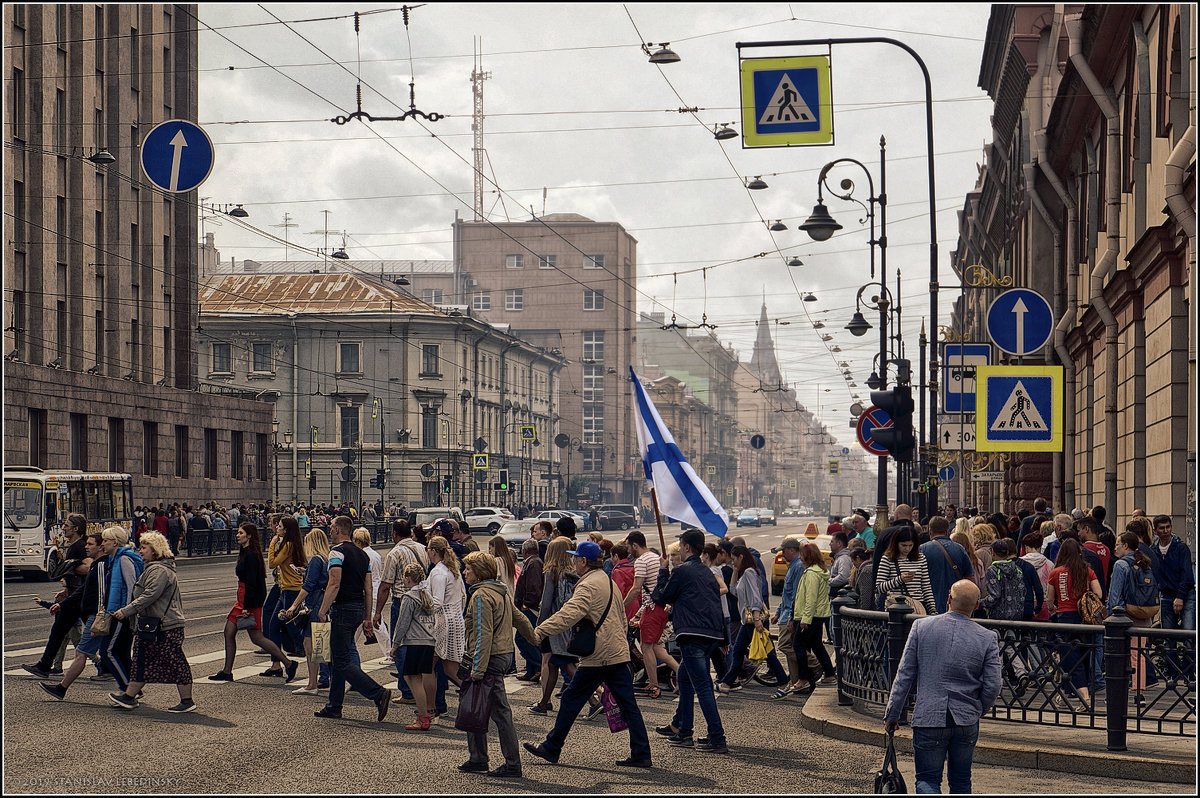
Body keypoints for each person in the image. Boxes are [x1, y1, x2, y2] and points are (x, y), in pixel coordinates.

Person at [523, 541, 653, 769]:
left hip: (599, 656)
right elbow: (621, 617)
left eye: (576, 558)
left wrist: (540, 630)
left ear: (584, 562)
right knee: (628, 705)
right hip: (617, 653)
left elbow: (568, 614)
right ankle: (641, 753)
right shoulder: (608, 581)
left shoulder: (588, 586)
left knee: (571, 699)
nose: (573, 562)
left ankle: (552, 747)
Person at [884, 580, 1002, 794]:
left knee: (927, 780)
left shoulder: (921, 627)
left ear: (948, 599)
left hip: (929, 716)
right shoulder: (987, 637)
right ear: (976, 606)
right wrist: (978, 708)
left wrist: (893, 713)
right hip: (966, 718)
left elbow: (904, 675)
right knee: (961, 781)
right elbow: (993, 684)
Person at [459, 551, 538, 777]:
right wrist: (535, 639)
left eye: (468, 569)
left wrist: (477, 668)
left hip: (489, 658)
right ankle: (477, 757)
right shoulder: (500, 591)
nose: (465, 572)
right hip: (502, 654)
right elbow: (519, 618)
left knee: (499, 713)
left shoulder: (481, 596)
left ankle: (511, 763)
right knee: (476, 704)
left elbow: (484, 634)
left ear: (479, 572)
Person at [652, 529, 728, 753]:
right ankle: (683, 731)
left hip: (692, 634)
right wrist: (722, 636)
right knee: (685, 679)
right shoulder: (706, 572)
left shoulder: (682, 570)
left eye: (681, 545)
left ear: (686, 547)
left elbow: (662, 596)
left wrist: (662, 571)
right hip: (710, 634)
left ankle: (717, 737)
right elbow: (714, 602)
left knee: (702, 685)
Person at [313, 516, 392, 720]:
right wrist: (367, 616)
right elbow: (368, 588)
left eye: (331, 528)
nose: (329, 531)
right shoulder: (362, 555)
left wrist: (323, 609)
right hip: (358, 608)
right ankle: (334, 706)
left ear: (339, 530)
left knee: (339, 661)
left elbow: (334, 583)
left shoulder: (336, 552)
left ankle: (377, 693)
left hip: (342, 609)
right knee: (341, 657)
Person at [108, 532, 195, 713]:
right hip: (153, 624)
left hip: (165, 625)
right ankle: (129, 697)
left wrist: (126, 611)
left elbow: (149, 595)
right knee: (142, 660)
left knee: (175, 661)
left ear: (155, 550)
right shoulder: (153, 568)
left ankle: (187, 701)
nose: (140, 551)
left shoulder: (159, 570)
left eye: (144, 548)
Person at [208, 522, 299, 684]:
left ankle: (289, 663)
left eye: (241, 533)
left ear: (249, 536)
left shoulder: (251, 555)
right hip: (243, 598)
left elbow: (253, 583)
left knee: (257, 638)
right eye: (237, 532)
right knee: (229, 632)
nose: (237, 535)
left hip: (248, 600)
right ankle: (227, 671)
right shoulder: (246, 552)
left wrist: (247, 607)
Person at [38, 533, 107, 701]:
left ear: (101, 547)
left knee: (84, 652)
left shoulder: (100, 566)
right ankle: (130, 689)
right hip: (95, 614)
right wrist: (63, 602)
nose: (86, 546)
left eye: (90, 544)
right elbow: (84, 590)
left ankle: (61, 688)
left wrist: (102, 613)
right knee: (108, 652)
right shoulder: (96, 566)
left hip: (99, 614)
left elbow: (101, 593)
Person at [23, 513, 92, 680]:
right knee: (59, 631)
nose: (63, 528)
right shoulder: (73, 546)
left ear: (76, 529)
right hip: (74, 595)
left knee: (85, 632)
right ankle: (45, 665)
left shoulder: (80, 546)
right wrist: (66, 589)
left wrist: (70, 568)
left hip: (78, 597)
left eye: (66, 526)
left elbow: (89, 567)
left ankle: (45, 665)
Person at [715, 545, 789, 694]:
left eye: (734, 559)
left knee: (765, 652)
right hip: (747, 621)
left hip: (752, 621)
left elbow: (756, 596)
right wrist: (735, 571)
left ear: (741, 557)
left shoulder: (749, 572)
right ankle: (727, 683)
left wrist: (756, 618)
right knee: (739, 652)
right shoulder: (744, 573)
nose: (732, 562)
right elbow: (734, 590)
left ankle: (783, 681)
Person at [1047, 539, 1102, 708]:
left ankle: (1085, 698)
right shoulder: (1087, 571)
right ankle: (1065, 693)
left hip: (1065, 618)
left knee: (1070, 657)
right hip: (1085, 619)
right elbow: (1098, 593)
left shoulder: (1055, 573)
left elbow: (1049, 601)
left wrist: (1056, 605)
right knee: (1082, 657)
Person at [624, 531, 678, 699]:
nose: (628, 552)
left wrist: (620, 604)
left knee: (647, 647)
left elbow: (636, 588)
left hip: (652, 608)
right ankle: (682, 674)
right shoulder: (656, 558)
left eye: (628, 547)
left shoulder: (640, 561)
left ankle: (654, 686)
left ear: (634, 545)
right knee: (656, 648)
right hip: (662, 608)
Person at [282, 528, 334, 695]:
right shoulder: (326, 558)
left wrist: (293, 605)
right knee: (320, 646)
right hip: (323, 603)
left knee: (310, 645)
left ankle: (312, 684)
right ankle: (319, 681)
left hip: (314, 605)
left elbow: (308, 586)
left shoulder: (316, 560)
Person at [531, 537, 580, 713]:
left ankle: (594, 699)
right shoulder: (574, 573)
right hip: (569, 621)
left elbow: (545, 603)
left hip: (554, 622)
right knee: (555, 662)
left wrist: (539, 627)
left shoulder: (552, 571)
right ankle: (544, 703)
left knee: (563, 662)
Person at [390, 563, 437, 731]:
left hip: (414, 641)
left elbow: (402, 623)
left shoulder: (409, 597)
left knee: (412, 678)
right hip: (428, 640)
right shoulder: (427, 595)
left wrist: (395, 644)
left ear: (407, 578)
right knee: (418, 677)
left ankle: (422, 716)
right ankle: (427, 712)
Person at [98, 526, 145, 694]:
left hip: (121, 613)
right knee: (122, 653)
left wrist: (126, 611)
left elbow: (132, 587)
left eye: (105, 541)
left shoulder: (124, 559)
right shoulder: (115, 559)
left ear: (115, 542)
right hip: (119, 611)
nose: (102, 544)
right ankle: (132, 689)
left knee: (108, 651)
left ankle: (127, 690)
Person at [427, 535, 466, 715]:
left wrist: (420, 607)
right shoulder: (453, 570)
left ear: (434, 551)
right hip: (456, 619)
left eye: (428, 549)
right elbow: (463, 596)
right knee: (450, 669)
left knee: (428, 668)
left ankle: (430, 707)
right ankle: (474, 695)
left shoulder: (437, 572)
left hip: (442, 623)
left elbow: (436, 602)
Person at [791, 543, 837, 692]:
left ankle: (803, 678)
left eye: (801, 555)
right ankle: (829, 673)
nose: (800, 558)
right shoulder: (819, 571)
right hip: (818, 615)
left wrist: (805, 619)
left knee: (798, 646)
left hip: (810, 616)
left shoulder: (811, 573)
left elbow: (811, 598)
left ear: (808, 556)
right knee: (816, 645)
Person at [769, 537, 806, 699]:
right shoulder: (792, 566)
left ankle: (815, 663)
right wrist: (777, 613)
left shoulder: (798, 566)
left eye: (784, 551)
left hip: (791, 615)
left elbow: (797, 595)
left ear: (792, 550)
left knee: (785, 646)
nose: (782, 555)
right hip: (785, 614)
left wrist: (791, 617)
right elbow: (786, 594)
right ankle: (796, 682)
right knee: (790, 648)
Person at [875, 528, 936, 615]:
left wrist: (932, 608)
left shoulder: (921, 558)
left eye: (910, 545)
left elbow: (926, 586)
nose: (907, 549)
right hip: (896, 608)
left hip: (918, 606)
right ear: (896, 544)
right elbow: (879, 588)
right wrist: (900, 579)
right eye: (903, 545)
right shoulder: (887, 559)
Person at [1150, 515, 1195, 631]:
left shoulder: (1180, 547)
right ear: (1155, 530)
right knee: (1168, 635)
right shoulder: (1153, 550)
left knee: (1188, 632)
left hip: (1186, 594)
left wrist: (1180, 596)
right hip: (1166, 594)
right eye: (1161, 528)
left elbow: (1187, 574)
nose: (1166, 531)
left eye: (1168, 527)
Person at [920, 516, 974, 614]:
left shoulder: (922, 550)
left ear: (930, 531)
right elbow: (970, 578)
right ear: (947, 531)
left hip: (929, 606)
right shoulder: (959, 549)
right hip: (955, 604)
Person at [514, 538, 545, 682]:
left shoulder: (534, 564)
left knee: (523, 638)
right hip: (527, 607)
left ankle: (538, 666)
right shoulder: (533, 562)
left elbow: (534, 586)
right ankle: (531, 670)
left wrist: (526, 603)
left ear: (525, 551)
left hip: (530, 609)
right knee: (526, 638)